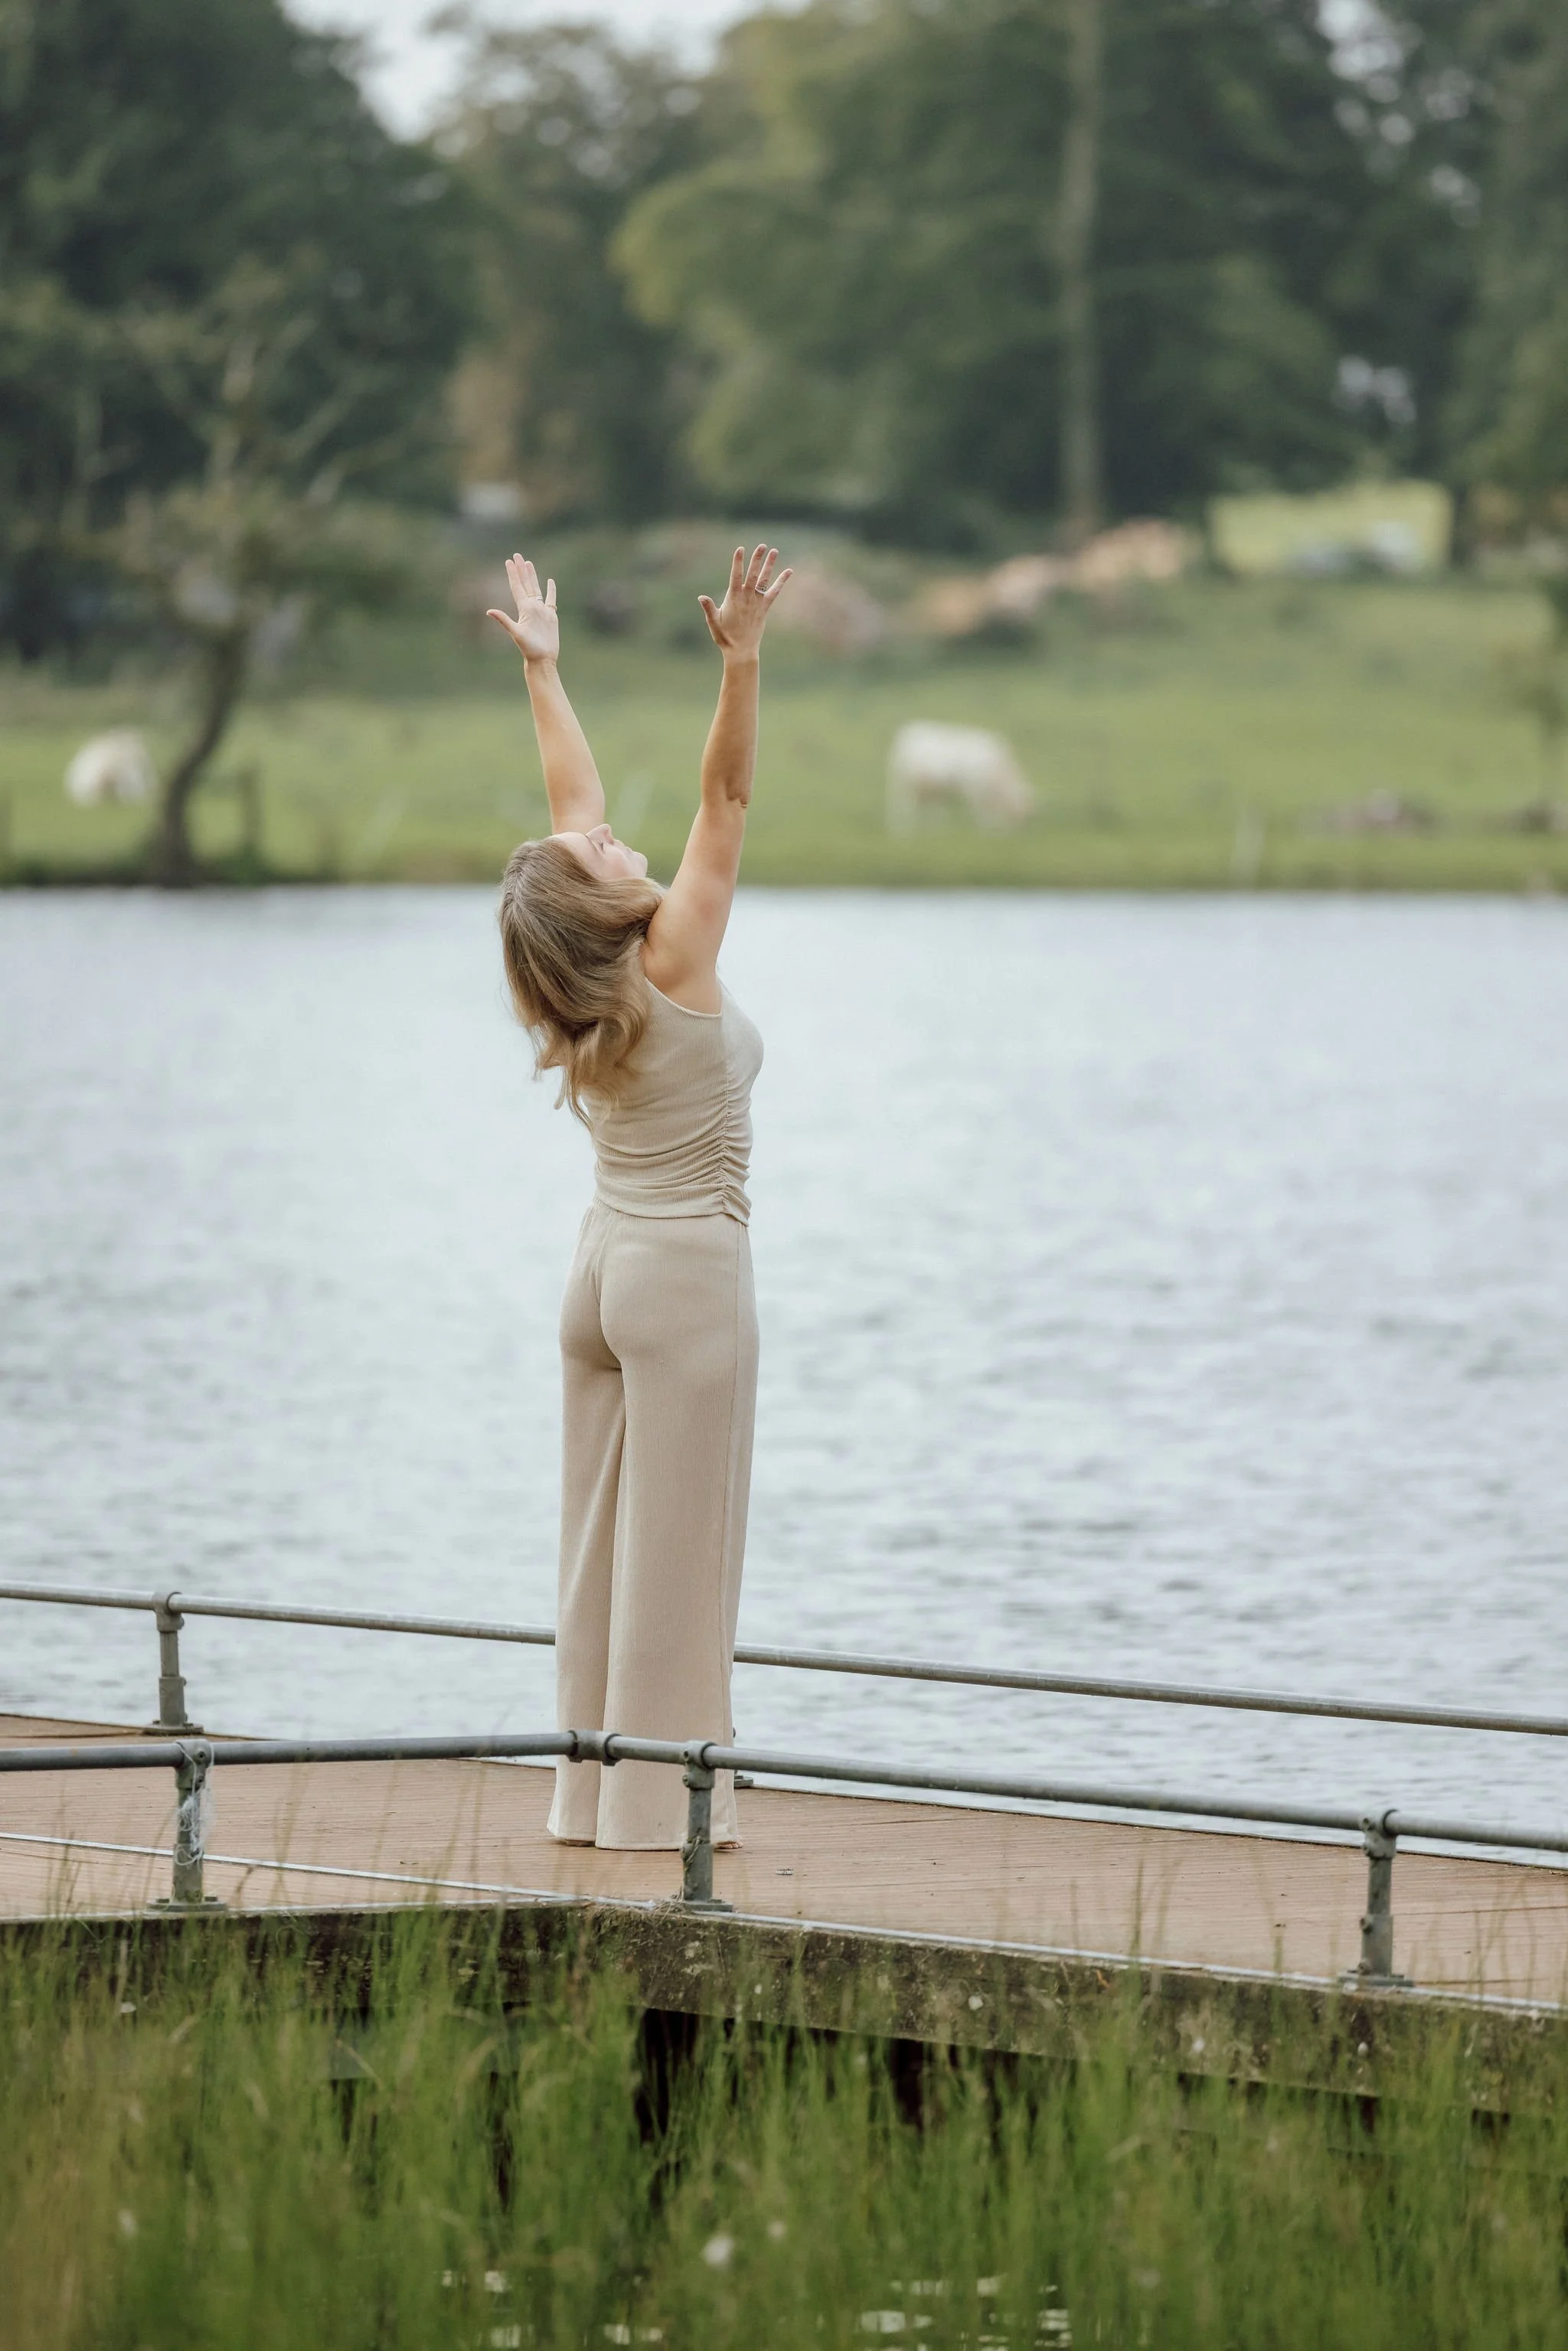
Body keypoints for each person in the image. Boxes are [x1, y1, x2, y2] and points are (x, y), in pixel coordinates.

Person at [490, 544, 792, 1849]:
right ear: (606, 909)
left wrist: (546, 672)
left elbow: (574, 801)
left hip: (601, 1270)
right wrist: (743, 663)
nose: (615, 833)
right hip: (683, 1275)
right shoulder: (669, 957)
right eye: (604, 851)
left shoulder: (583, 982)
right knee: (680, 1551)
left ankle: (582, 1793)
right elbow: (725, 797)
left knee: (599, 1545)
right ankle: (666, 1818)